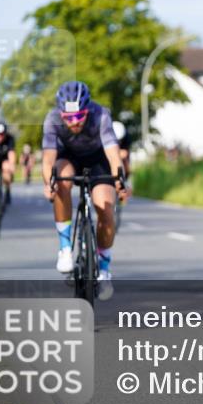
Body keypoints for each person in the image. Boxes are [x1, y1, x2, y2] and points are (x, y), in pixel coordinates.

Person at [42, 81, 127, 301]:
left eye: (79, 116)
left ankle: (104, 268)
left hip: (98, 160)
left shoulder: (101, 115)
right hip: (68, 158)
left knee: (105, 208)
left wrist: (120, 180)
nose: (74, 122)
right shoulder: (52, 119)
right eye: (68, 117)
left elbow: (113, 154)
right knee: (60, 181)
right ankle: (65, 249)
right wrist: (48, 183)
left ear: (87, 110)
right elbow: (48, 159)